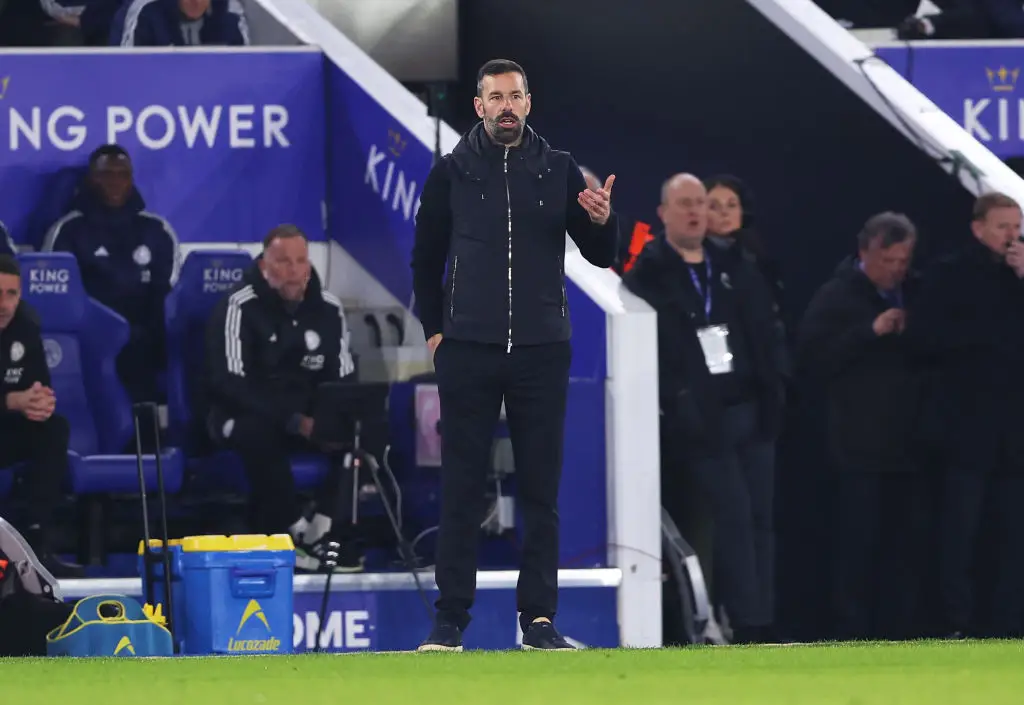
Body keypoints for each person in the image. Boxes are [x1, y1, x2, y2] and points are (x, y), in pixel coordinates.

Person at [410, 59, 619, 652]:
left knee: (540, 492)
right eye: (495, 96)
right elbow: (425, 261)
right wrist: (435, 333)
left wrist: (604, 222)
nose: (506, 106)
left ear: (529, 103)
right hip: (468, 352)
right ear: (478, 106)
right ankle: (450, 620)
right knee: (462, 489)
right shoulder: (449, 173)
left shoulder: (557, 171)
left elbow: (599, 256)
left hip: (541, 352)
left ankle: (539, 621)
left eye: (515, 96)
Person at [623, 173, 782, 645]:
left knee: (761, 520)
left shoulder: (734, 265)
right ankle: (740, 622)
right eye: (685, 203)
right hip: (699, 420)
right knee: (728, 517)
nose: (696, 211)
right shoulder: (648, 273)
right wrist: (682, 403)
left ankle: (762, 618)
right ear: (663, 213)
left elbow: (765, 335)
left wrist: (775, 392)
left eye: (701, 203)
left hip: (750, 410)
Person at [203, 225, 363, 573]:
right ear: (264, 266)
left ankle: (321, 532)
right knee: (257, 432)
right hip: (242, 415)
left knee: (361, 436)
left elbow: (344, 377)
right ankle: (288, 533)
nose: (294, 270)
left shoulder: (329, 308)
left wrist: (332, 418)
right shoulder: (238, 305)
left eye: (301, 261)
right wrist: (293, 420)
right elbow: (228, 383)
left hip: (307, 417)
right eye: (283, 262)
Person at [797, 212, 926, 640]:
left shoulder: (917, 291)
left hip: (909, 445)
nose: (896, 269)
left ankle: (903, 630)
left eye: (903, 260)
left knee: (904, 547)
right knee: (857, 547)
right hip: (855, 447)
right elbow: (813, 359)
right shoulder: (836, 297)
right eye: (888, 260)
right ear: (865, 251)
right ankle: (852, 631)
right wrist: (869, 332)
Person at [906, 192, 1024, 639]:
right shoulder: (948, 275)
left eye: (1017, 227)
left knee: (1013, 534)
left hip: (1014, 432)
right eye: (1002, 227)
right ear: (978, 229)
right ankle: (956, 622)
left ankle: (1009, 623)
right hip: (964, 430)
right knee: (960, 532)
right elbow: (922, 341)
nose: (1012, 236)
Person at [43, 144, 180, 407]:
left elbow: (167, 294)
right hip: (90, 341)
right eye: (106, 175)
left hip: (142, 343)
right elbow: (58, 299)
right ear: (91, 179)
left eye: (122, 174)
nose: (115, 182)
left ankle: (149, 439)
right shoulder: (68, 230)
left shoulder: (157, 230)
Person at [0, 255, 83, 578]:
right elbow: (14, 397)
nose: (4, 304)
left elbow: (39, 383)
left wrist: (40, 402)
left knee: (53, 428)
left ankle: (37, 543)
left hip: (7, 428)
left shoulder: (26, 322)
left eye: (12, 294)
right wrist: (10, 400)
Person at [113, 0, 250, 46]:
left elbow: (244, 73)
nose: (196, 1)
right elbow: (123, 71)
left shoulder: (231, 13)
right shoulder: (146, 11)